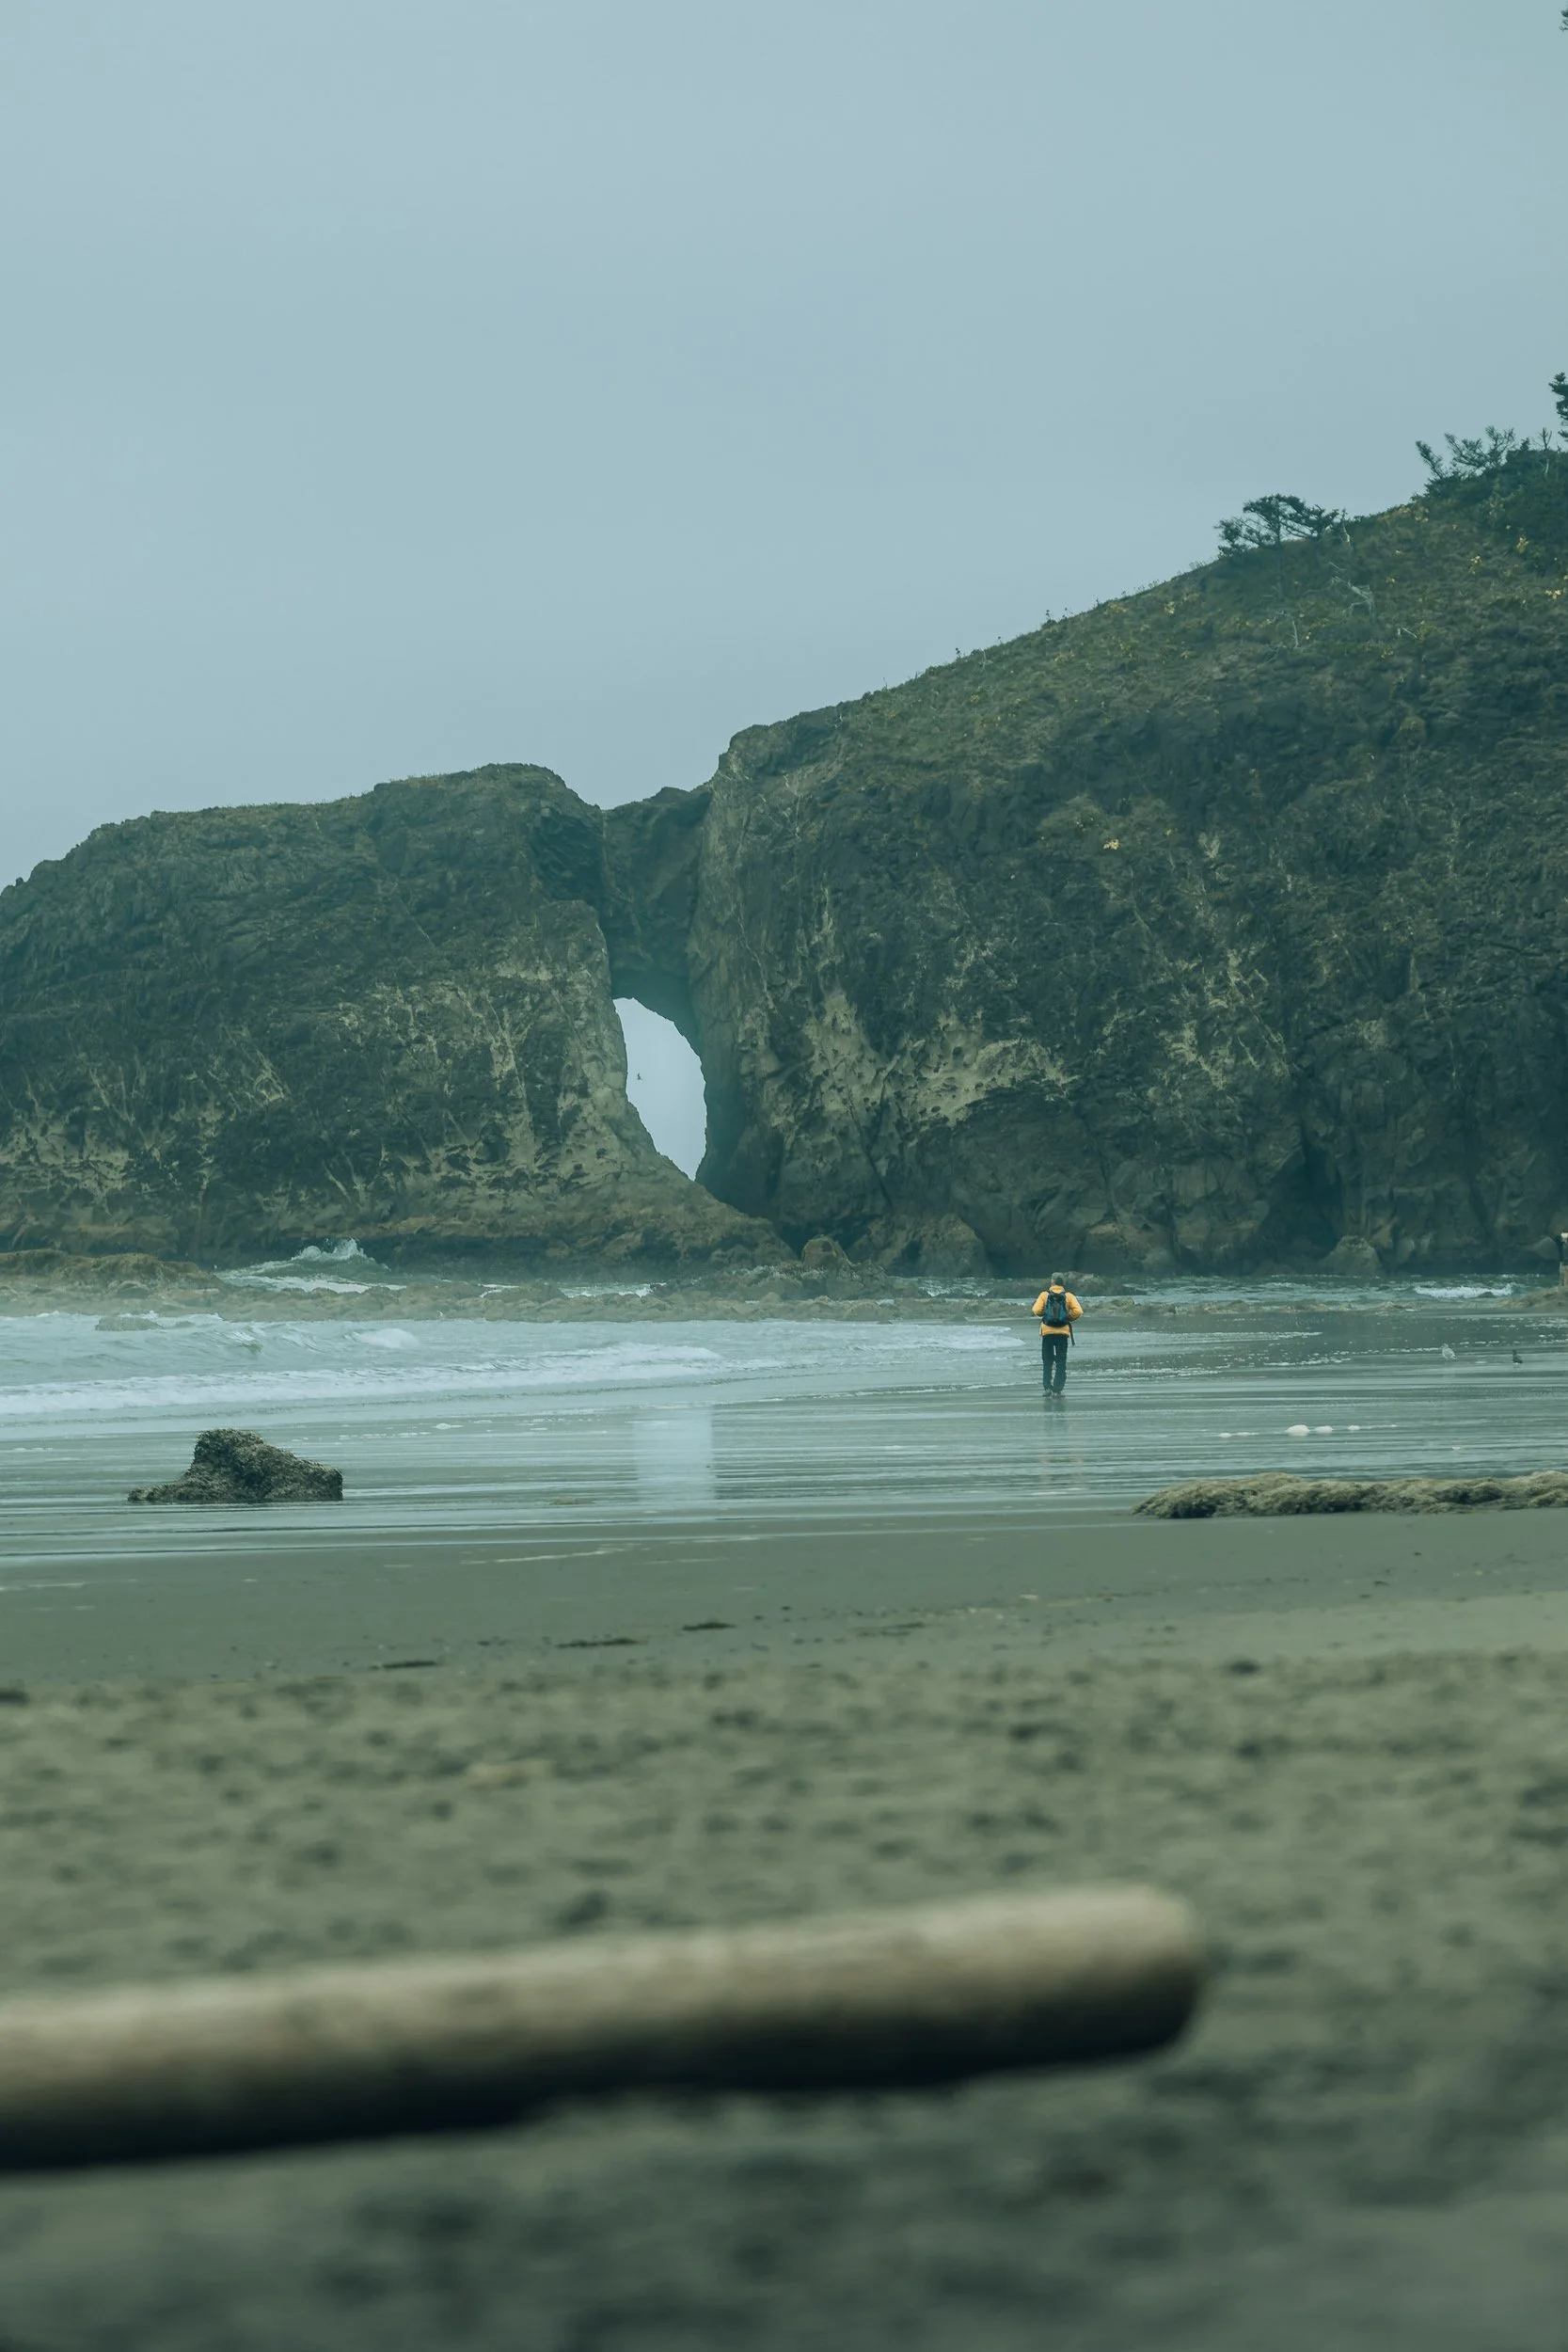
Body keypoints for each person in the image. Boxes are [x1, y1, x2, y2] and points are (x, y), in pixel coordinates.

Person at [1032, 1274, 1083, 1392]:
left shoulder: (1044, 1295)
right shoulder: (1069, 1296)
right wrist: (1066, 1318)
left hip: (1047, 1332)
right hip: (1062, 1333)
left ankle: (1047, 1388)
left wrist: (1046, 1316)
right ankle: (1058, 1389)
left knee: (1047, 1361)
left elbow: (1036, 1310)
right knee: (1061, 1362)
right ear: (1063, 1283)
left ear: (1052, 1282)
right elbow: (1078, 1311)